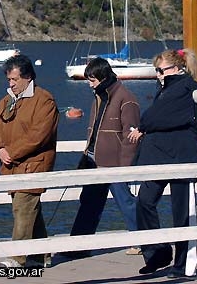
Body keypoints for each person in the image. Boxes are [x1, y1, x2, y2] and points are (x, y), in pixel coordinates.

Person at [128, 48, 197, 278]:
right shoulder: (165, 89)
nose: (157, 74)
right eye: (156, 70)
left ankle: (183, 263)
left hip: (181, 158)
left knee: (182, 213)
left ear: (176, 68)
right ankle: (158, 252)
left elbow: (155, 117)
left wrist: (143, 127)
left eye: (161, 70)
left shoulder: (186, 86)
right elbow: (158, 116)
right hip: (158, 156)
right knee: (144, 202)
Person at [62, 57, 141, 258]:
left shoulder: (126, 98)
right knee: (89, 202)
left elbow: (131, 136)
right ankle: (77, 247)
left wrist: (125, 166)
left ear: (104, 78)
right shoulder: (98, 97)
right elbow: (94, 131)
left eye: (93, 80)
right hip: (93, 160)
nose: (90, 84)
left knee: (126, 202)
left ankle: (143, 241)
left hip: (115, 164)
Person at [0, 54, 59, 269]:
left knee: (23, 208)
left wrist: (12, 152)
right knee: (29, 211)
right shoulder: (6, 100)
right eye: (9, 80)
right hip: (12, 166)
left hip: (34, 164)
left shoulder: (44, 100)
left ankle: (17, 258)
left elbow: (39, 136)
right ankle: (41, 256)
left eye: (14, 80)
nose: (11, 84)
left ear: (27, 77)